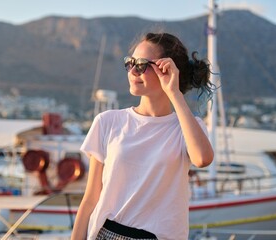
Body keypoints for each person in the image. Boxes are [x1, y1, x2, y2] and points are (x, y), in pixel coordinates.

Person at [71, 32, 214, 240]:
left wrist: (174, 93)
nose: (132, 71)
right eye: (130, 63)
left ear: (168, 70)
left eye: (141, 64)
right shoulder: (108, 122)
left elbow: (202, 159)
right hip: (107, 234)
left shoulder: (187, 127)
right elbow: (91, 198)